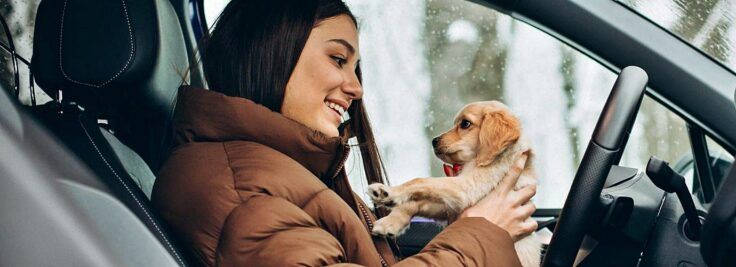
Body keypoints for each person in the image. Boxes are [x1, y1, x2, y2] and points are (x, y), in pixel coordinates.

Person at [151, 0, 537, 266]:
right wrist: (483, 234)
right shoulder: (242, 190)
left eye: (355, 68)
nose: (357, 88)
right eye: (338, 59)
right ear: (270, 51)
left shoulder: (284, 172)